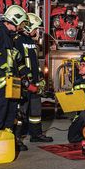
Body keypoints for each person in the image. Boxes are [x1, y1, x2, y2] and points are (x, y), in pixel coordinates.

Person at [0, 4, 28, 147]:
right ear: (14, 20)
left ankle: (7, 139)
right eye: (21, 23)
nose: (22, 26)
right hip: (1, 81)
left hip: (12, 81)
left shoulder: (10, 36)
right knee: (0, 111)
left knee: (12, 111)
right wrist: (3, 64)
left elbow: (11, 56)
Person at [14, 13, 53, 143]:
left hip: (34, 83)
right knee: (21, 112)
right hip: (24, 83)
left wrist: (40, 78)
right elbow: (17, 62)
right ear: (28, 27)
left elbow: (35, 63)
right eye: (35, 28)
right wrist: (25, 79)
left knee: (36, 111)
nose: (36, 31)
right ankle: (16, 138)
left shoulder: (32, 42)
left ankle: (36, 135)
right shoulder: (18, 41)